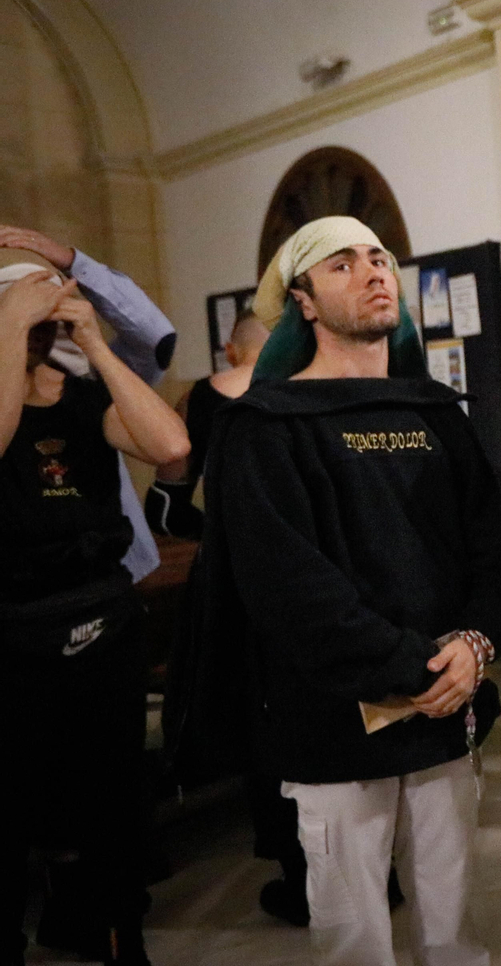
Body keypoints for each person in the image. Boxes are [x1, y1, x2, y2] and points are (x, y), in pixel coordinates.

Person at [200, 217, 501, 966]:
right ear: (303, 301)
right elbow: (289, 587)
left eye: (380, 258)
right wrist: (413, 671)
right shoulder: (264, 427)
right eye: (342, 264)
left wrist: (475, 647)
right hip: (337, 720)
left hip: (448, 707)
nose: (374, 271)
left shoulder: (434, 413)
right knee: (355, 938)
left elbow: (496, 551)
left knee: (453, 926)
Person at [1, 261, 189, 966]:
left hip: (103, 615)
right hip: (16, 624)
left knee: (114, 795)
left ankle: (112, 932)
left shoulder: (82, 395)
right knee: (14, 804)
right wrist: (10, 326)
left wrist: (98, 345)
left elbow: (170, 447)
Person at [0, 226, 177, 584]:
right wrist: (13, 324)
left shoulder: (81, 386)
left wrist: (73, 267)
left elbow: (171, 445)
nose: (38, 330)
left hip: (102, 588)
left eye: (48, 319)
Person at [143, 313, 270, 539]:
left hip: (232, 560)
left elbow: (164, 509)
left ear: (230, 351)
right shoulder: (313, 394)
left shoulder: (195, 400)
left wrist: (216, 538)